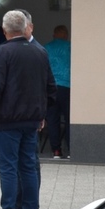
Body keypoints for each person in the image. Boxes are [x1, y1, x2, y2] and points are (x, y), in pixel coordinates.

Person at [0, 10, 55, 209]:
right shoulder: (40, 52)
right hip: (31, 121)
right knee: (28, 167)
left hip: (7, 121)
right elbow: (50, 87)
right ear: (25, 28)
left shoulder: (3, 52)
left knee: (8, 168)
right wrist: (41, 114)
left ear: (4, 31)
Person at [43, 24, 71, 158]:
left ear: (54, 35)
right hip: (68, 88)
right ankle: (71, 149)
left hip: (51, 88)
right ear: (66, 35)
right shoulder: (71, 48)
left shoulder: (46, 48)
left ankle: (56, 151)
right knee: (69, 119)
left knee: (52, 120)